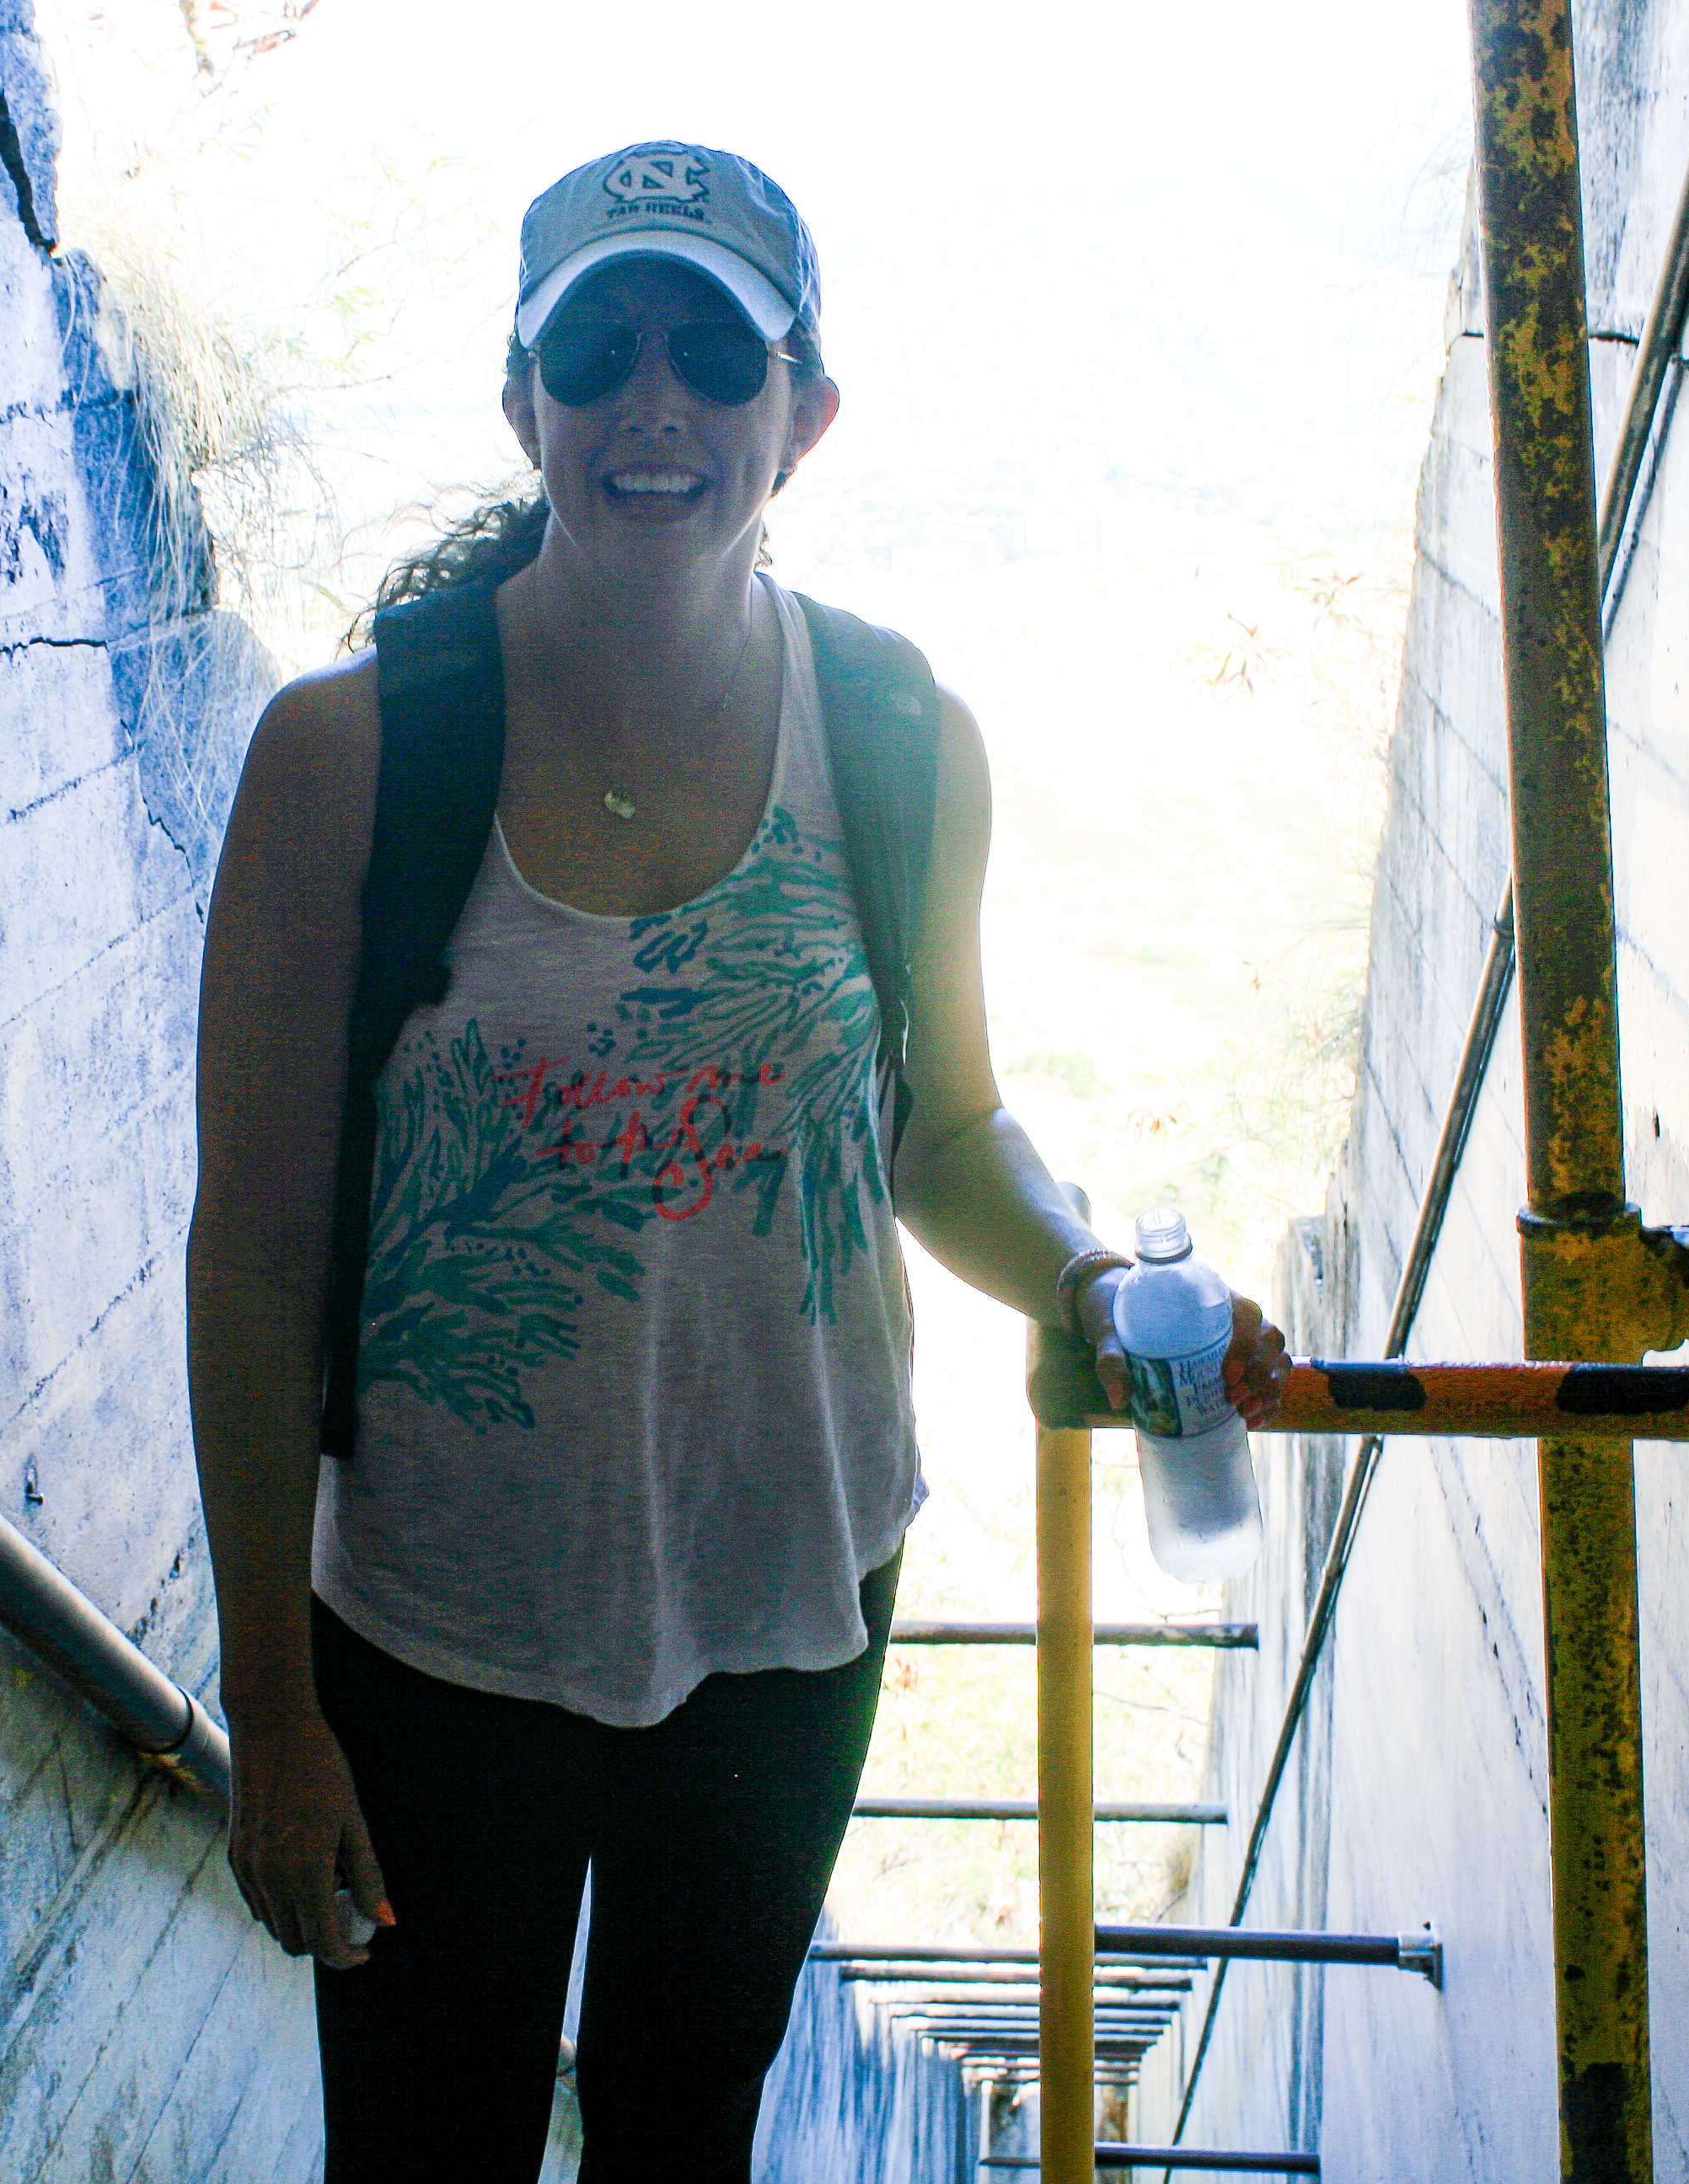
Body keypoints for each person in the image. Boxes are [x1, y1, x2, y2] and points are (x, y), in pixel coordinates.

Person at [185, 140, 1290, 2181]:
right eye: (598, 350)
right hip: (438, 1633)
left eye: (716, 348)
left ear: (808, 411)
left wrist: (1085, 1282)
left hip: (791, 1599)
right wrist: (275, 1709)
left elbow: (940, 1133)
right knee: (427, 2147)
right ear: (525, 408)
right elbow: (252, 1252)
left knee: (688, 2125)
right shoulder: (351, 758)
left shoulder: (891, 731)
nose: (655, 400)